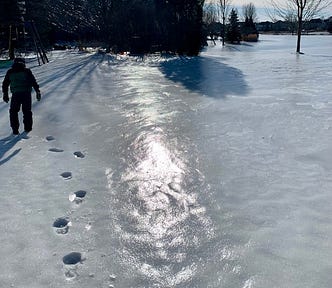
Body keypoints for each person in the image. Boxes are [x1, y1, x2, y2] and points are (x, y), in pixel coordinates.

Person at [2, 57, 41, 135]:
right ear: (23, 63)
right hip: (26, 94)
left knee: (13, 112)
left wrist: (5, 94)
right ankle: (28, 129)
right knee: (27, 111)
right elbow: (33, 81)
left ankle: (15, 130)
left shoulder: (10, 71)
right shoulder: (26, 71)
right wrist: (37, 91)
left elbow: (5, 84)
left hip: (16, 94)